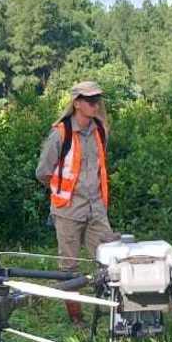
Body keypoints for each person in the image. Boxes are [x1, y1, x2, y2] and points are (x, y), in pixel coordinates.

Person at [35, 81, 118, 326]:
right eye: (90, 100)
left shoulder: (100, 129)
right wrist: (62, 193)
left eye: (97, 100)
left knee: (108, 259)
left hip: (96, 208)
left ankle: (110, 308)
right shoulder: (61, 133)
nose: (95, 104)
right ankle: (76, 316)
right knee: (69, 266)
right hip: (68, 210)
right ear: (77, 103)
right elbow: (43, 172)